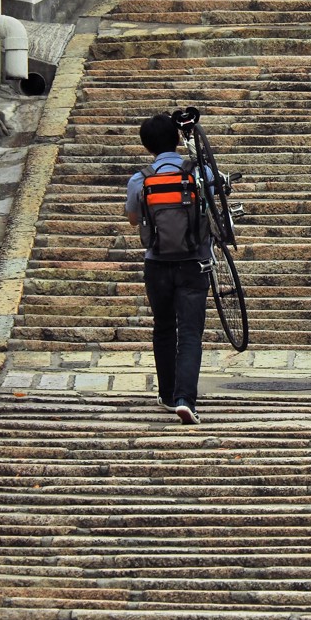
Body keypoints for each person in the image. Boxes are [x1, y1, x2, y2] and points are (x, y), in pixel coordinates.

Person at [125, 113, 211, 425]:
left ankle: (166, 393)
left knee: (163, 327)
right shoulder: (197, 171)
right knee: (190, 332)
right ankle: (185, 399)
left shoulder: (140, 178)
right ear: (177, 138)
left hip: (157, 264)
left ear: (147, 146)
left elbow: (133, 219)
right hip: (194, 262)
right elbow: (214, 204)